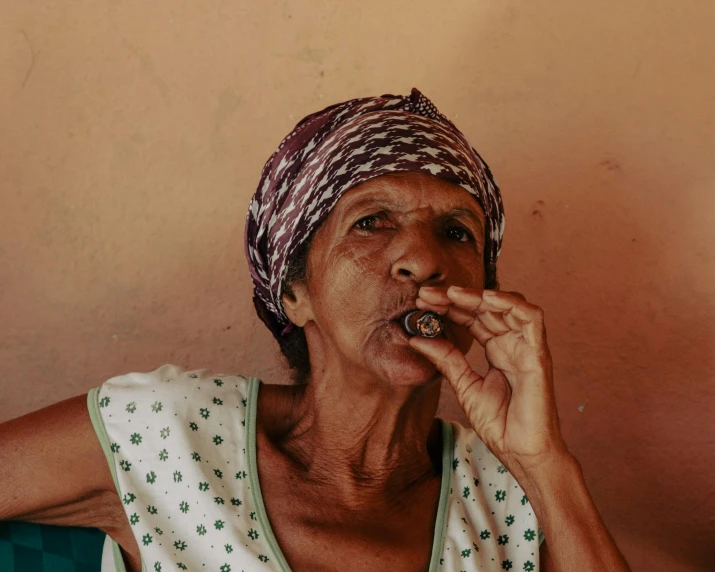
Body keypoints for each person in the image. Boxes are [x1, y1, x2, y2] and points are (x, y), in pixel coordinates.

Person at [0, 88, 631, 572]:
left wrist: (543, 463)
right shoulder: (170, 434)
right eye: (372, 222)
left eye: (457, 232)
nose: (424, 259)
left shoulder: (514, 501)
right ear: (295, 292)